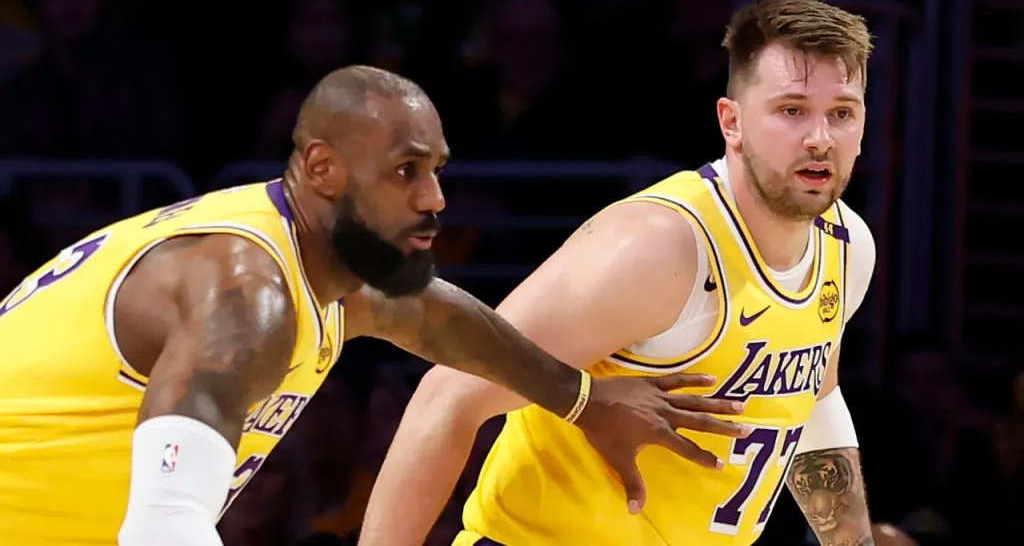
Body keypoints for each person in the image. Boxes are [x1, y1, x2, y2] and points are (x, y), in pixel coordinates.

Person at [0, 65, 749, 546]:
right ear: (323, 169)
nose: (435, 199)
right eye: (404, 173)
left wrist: (580, 398)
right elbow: (162, 527)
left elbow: (436, 317)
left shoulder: (320, 261)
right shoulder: (245, 295)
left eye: (437, 171)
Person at [361, 0, 879, 546]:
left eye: (841, 112)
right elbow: (447, 397)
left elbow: (817, 396)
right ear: (732, 122)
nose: (819, 138)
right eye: (792, 110)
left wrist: (852, 540)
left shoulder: (847, 247)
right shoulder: (658, 249)